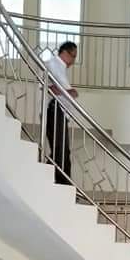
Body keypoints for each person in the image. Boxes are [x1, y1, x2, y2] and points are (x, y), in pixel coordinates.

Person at [44, 41, 77, 185]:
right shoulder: (53, 64)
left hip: (60, 111)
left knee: (62, 151)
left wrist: (68, 93)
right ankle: (62, 184)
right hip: (55, 109)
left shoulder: (59, 67)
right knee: (60, 150)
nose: (73, 61)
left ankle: (61, 183)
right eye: (73, 56)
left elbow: (56, 88)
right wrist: (70, 92)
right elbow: (50, 87)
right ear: (64, 52)